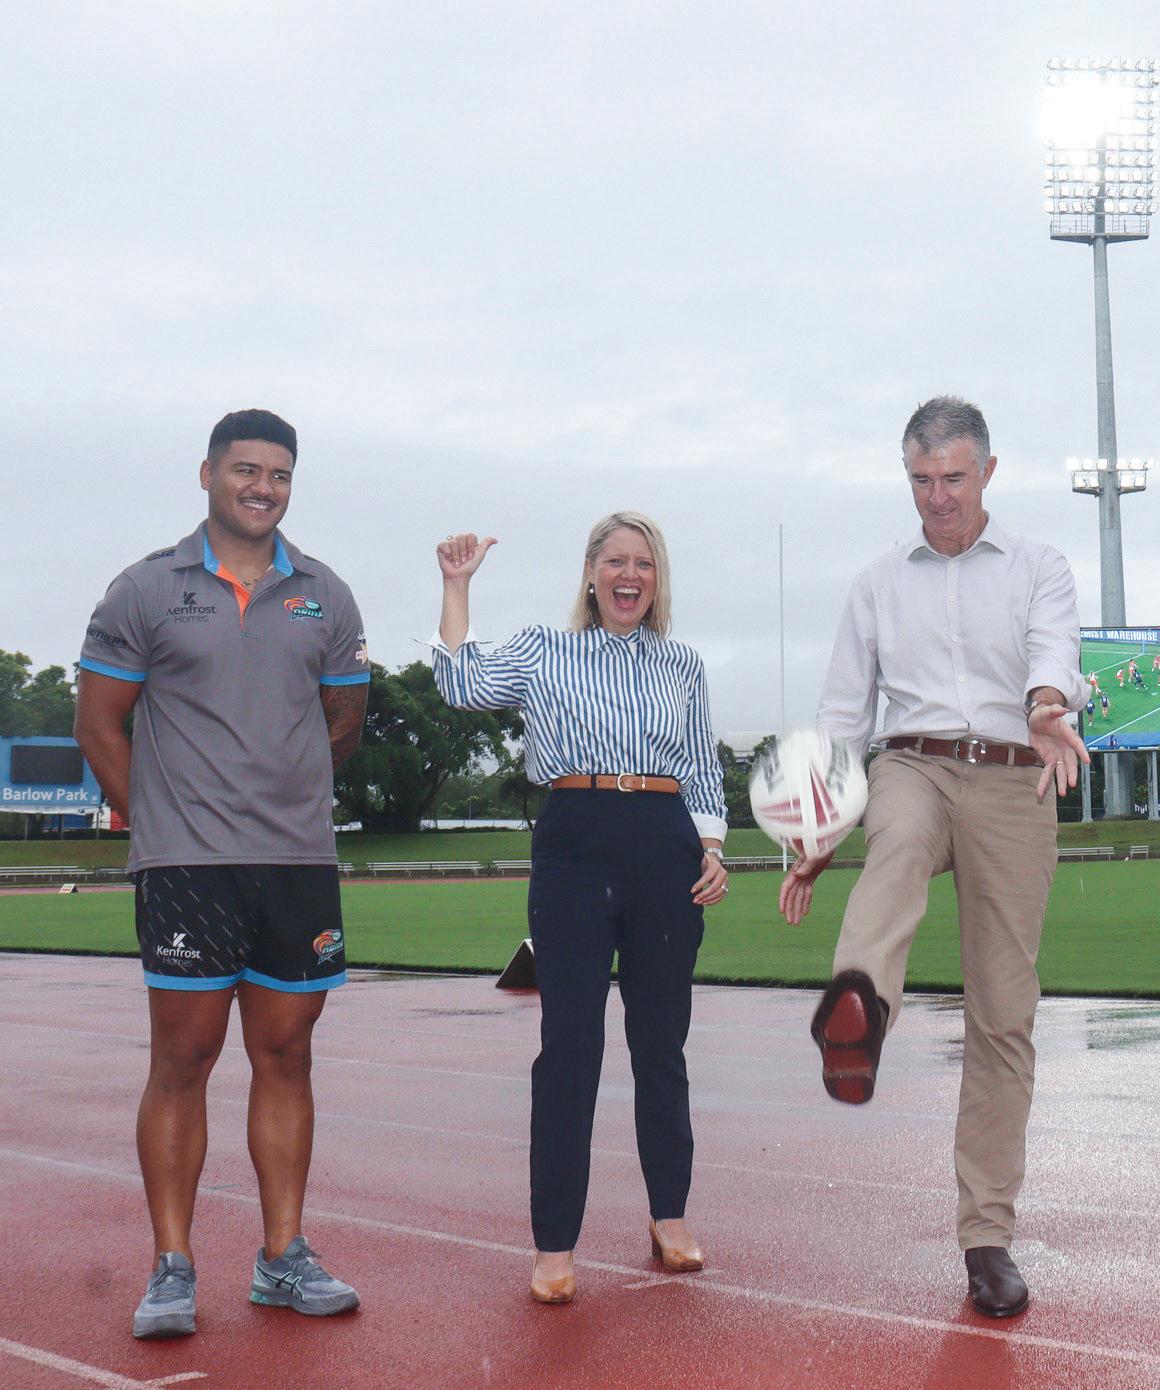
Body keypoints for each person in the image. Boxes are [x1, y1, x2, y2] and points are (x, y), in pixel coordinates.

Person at [778, 395, 1087, 1319]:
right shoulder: (877, 584)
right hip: (911, 762)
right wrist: (817, 830)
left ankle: (986, 1237)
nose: (937, 497)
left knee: (1003, 1014)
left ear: (988, 472)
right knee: (897, 845)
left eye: (953, 478)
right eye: (920, 480)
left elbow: (1054, 651)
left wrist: (1046, 705)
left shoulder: (1038, 566)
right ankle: (859, 1008)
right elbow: (844, 713)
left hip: (1015, 776)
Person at [75, 409, 370, 1340]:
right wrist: (160, 821)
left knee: (286, 1057)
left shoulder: (325, 594)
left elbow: (345, 721)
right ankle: (172, 1267)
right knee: (183, 1061)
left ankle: (283, 1257)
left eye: (278, 474)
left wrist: (286, 789)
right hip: (187, 867)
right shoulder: (145, 588)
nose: (262, 488)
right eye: (246, 470)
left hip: (296, 862)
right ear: (207, 473)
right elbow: (97, 724)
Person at [431, 513, 730, 1305]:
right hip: (574, 840)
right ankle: (555, 1242)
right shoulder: (545, 649)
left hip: (664, 843)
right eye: (616, 562)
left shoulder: (683, 665)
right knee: (570, 1046)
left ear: (658, 579)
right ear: (591, 573)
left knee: (661, 1042)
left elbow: (702, 767)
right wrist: (457, 587)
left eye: (644, 564)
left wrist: (712, 847)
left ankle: (670, 1216)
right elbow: (461, 684)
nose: (630, 576)